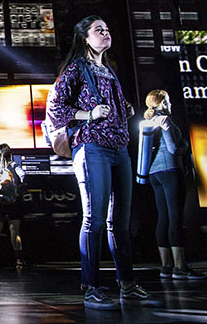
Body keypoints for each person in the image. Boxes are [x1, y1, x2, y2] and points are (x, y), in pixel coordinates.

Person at [47, 15, 158, 310]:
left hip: (119, 149)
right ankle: (92, 286)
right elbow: (56, 108)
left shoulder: (109, 69)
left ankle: (128, 285)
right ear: (85, 37)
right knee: (94, 219)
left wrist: (124, 109)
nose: (106, 33)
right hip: (92, 148)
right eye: (99, 30)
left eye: (108, 29)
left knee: (120, 223)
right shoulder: (75, 68)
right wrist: (89, 114)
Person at [139, 90, 204, 280]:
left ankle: (166, 266)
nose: (170, 104)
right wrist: (185, 145)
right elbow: (174, 148)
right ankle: (180, 266)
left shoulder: (148, 122)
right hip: (170, 171)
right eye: (167, 101)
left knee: (163, 217)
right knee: (175, 217)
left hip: (153, 173)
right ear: (160, 104)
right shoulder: (165, 121)